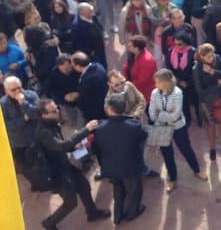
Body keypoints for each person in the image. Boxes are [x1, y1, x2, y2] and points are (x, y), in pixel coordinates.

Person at [36, 98, 111, 229]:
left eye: (57, 108)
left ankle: (92, 213)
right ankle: (49, 223)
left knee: (84, 186)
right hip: (56, 172)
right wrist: (86, 130)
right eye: (53, 111)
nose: (58, 111)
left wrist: (73, 147)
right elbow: (61, 146)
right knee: (71, 202)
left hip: (64, 164)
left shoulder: (51, 124)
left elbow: (59, 147)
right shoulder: (44, 132)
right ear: (44, 115)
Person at [149, 69, 208, 194]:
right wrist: (165, 115)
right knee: (167, 153)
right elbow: (151, 113)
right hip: (162, 128)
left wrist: (160, 114)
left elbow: (176, 115)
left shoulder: (177, 92)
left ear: (165, 82)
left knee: (186, 149)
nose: (155, 85)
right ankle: (172, 178)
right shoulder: (154, 93)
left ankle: (197, 170)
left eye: (158, 82)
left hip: (178, 127)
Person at [93, 93, 147, 225]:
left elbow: (97, 148)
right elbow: (143, 136)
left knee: (118, 190)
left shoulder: (100, 128)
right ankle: (132, 212)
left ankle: (118, 215)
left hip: (111, 167)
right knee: (133, 192)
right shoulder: (134, 126)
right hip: (130, 167)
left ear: (110, 109)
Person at [193, 43, 221, 160]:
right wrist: (217, 85)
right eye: (208, 56)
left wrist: (213, 72)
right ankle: (212, 148)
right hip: (207, 101)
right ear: (201, 57)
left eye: (211, 55)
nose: (211, 58)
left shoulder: (217, 58)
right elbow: (200, 91)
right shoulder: (197, 68)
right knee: (210, 125)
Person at [0, 76, 38, 169]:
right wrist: (23, 119)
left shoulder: (31, 95)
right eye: (13, 90)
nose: (18, 91)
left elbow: (36, 114)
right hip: (19, 141)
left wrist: (24, 103)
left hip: (36, 136)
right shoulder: (3, 104)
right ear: (6, 91)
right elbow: (6, 125)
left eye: (19, 88)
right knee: (26, 166)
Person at [166, 32, 200, 127]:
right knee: (183, 102)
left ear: (185, 42)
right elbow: (169, 68)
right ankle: (187, 119)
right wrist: (178, 81)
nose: (177, 46)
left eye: (180, 44)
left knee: (196, 101)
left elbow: (196, 70)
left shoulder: (193, 52)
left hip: (191, 82)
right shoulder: (171, 51)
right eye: (175, 44)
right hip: (178, 82)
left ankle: (200, 118)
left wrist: (188, 82)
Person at [23, 8, 59, 94]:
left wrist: (54, 41)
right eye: (35, 18)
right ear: (29, 20)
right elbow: (29, 44)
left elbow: (53, 37)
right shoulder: (27, 31)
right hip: (37, 55)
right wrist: (28, 51)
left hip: (47, 54)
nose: (38, 20)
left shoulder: (44, 26)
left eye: (38, 17)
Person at [71, 51, 108, 122]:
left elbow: (84, 99)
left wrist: (77, 101)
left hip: (95, 111)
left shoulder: (88, 80)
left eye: (73, 66)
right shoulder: (98, 66)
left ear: (78, 66)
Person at [48, 54, 82, 128]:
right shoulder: (54, 73)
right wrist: (63, 97)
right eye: (62, 70)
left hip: (82, 100)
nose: (64, 72)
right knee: (74, 119)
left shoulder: (78, 69)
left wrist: (79, 93)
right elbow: (52, 90)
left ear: (71, 64)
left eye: (67, 68)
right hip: (68, 104)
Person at [123, 36, 157, 106]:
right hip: (134, 90)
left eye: (131, 45)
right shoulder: (133, 53)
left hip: (145, 95)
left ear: (136, 48)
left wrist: (128, 88)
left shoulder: (147, 61)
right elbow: (127, 66)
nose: (128, 45)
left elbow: (141, 82)